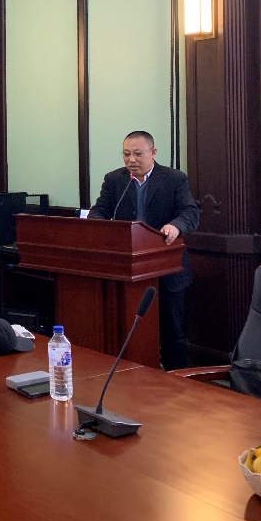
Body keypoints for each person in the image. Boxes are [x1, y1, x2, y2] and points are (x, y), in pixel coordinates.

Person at [87, 130, 199, 370]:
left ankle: (177, 383)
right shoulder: (115, 179)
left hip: (168, 269)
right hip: (129, 271)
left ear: (153, 152)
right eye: (126, 154)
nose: (131, 160)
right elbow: (100, 211)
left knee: (173, 334)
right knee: (130, 330)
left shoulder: (174, 179)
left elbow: (190, 212)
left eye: (138, 154)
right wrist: (100, 226)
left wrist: (175, 226)